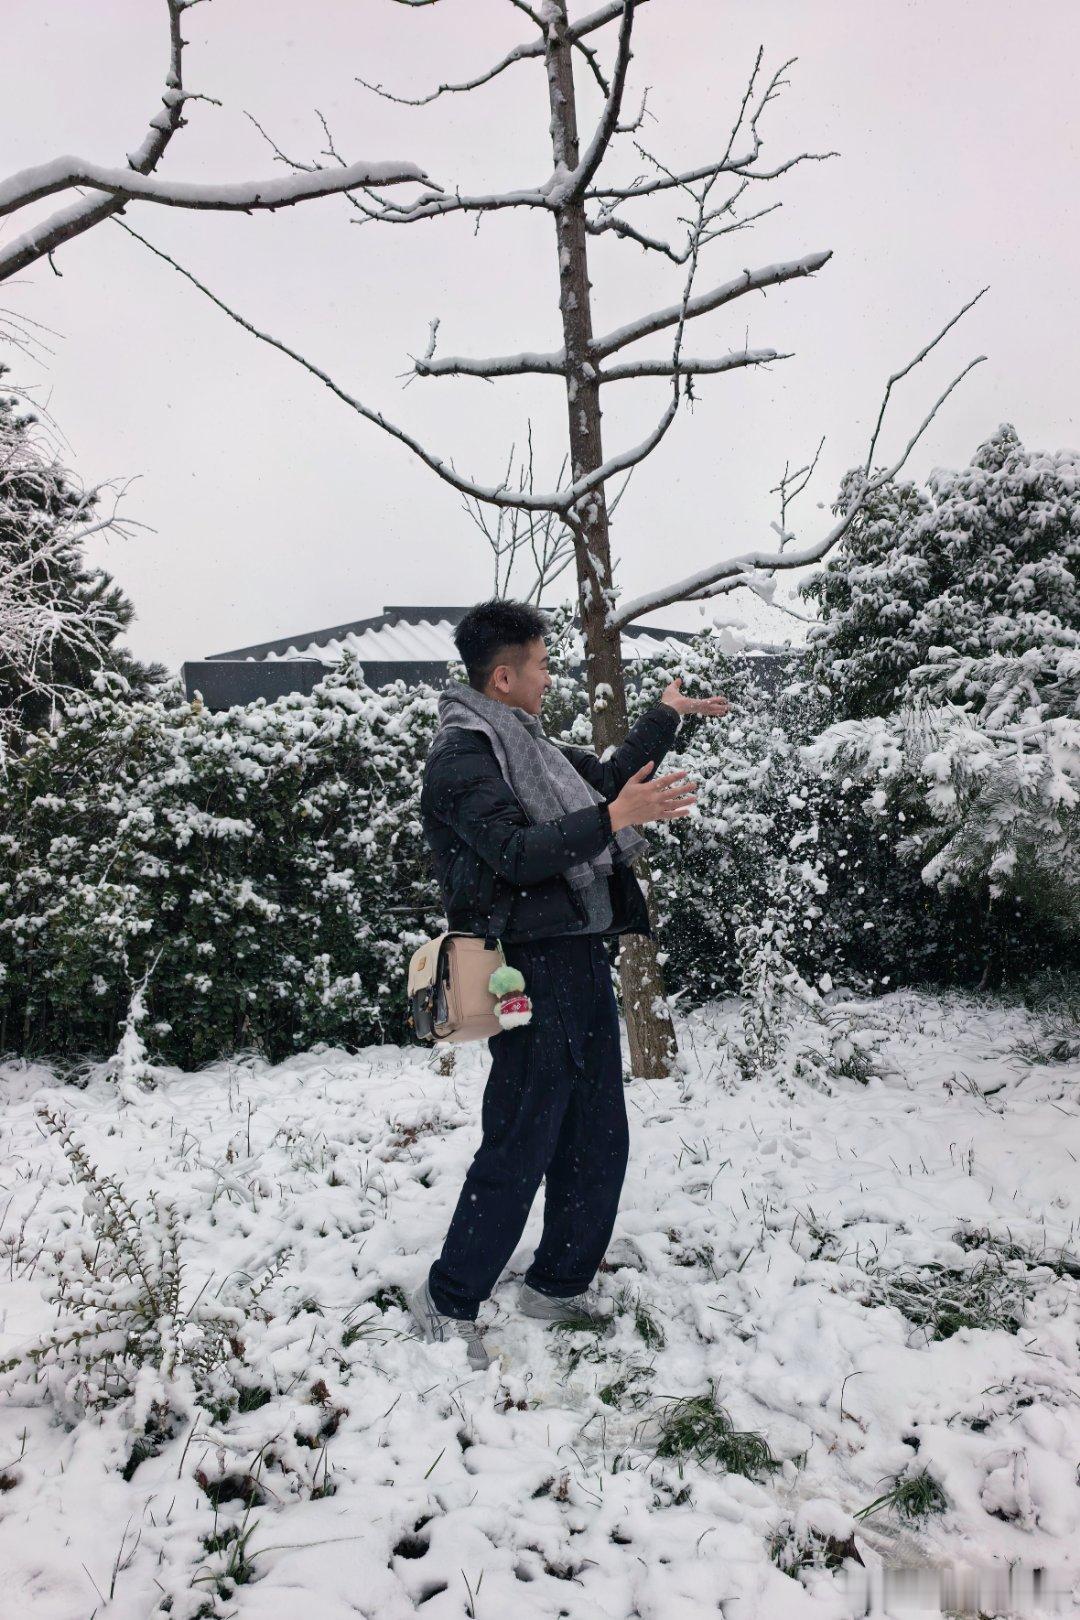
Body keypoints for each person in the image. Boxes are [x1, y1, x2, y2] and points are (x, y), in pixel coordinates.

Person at [410, 600, 729, 1369]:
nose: (551, 677)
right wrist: (614, 818)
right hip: (523, 968)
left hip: (582, 958)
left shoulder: (533, 746)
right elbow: (518, 853)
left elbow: (609, 784)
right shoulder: (463, 756)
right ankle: (449, 1299)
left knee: (597, 1134)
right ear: (503, 674)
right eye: (544, 664)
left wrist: (663, 719)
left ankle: (557, 1284)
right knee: (523, 1133)